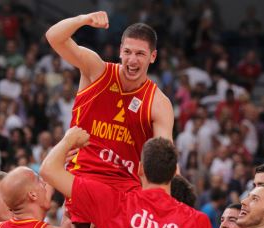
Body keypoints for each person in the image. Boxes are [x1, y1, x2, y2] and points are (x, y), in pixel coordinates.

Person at [40, 127, 215, 228]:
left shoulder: (115, 204)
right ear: (173, 173)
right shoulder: (199, 223)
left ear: (140, 169)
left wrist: (68, 139)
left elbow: (48, 170)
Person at [45, 11, 174, 195]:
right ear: (120, 51)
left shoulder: (158, 103)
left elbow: (164, 162)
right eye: (128, 52)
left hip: (125, 192)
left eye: (140, 54)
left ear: (153, 57)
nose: (132, 60)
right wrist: (84, 20)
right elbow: (53, 37)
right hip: (83, 179)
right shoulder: (97, 70)